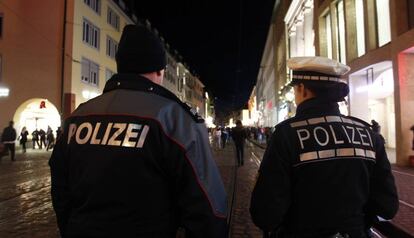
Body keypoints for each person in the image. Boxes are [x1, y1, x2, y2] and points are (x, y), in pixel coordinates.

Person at [49, 24, 227, 238]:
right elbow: (209, 209)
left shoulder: (78, 117)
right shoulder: (174, 119)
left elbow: (60, 190)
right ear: (159, 70)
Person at [250, 56, 399, 238]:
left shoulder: (286, 135)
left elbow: (266, 214)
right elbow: (387, 207)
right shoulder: (369, 135)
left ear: (302, 89)